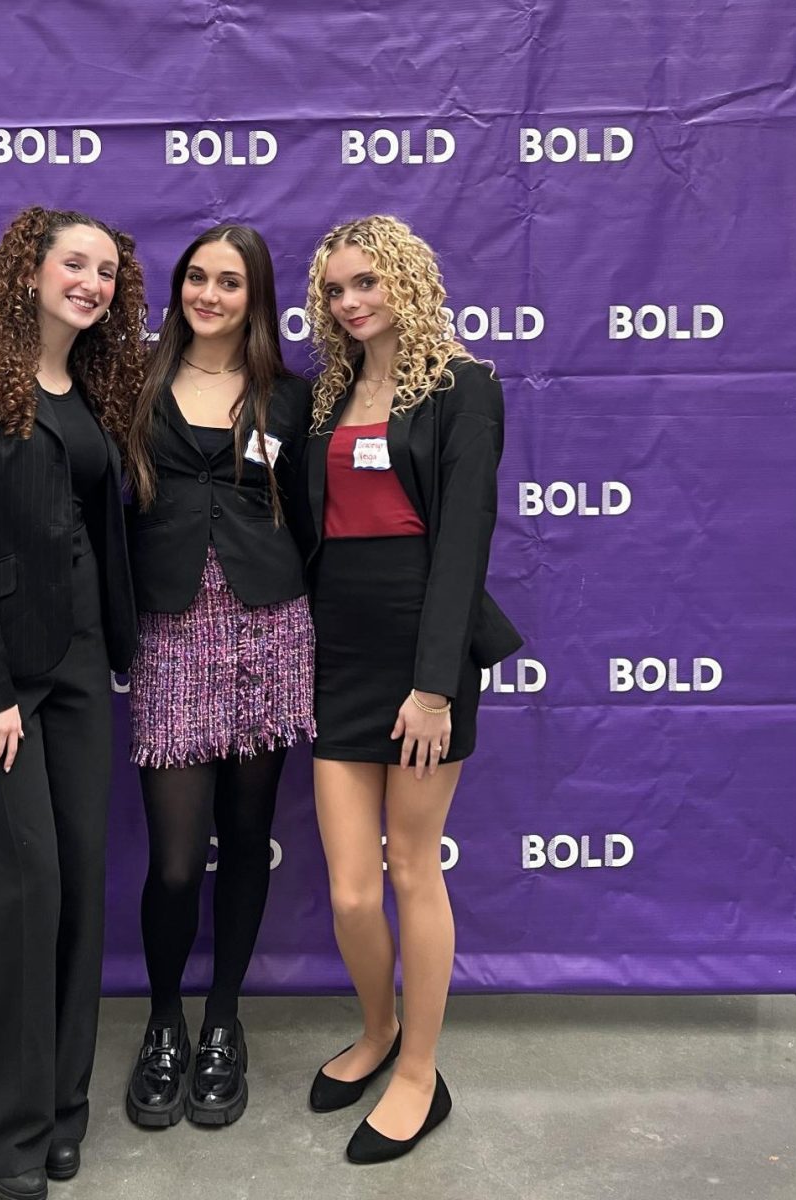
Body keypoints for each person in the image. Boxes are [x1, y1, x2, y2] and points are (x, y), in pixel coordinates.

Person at [0, 206, 146, 1200]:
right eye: (74, 264)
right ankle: (4, 1130)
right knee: (20, 893)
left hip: (83, 668)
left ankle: (59, 1112)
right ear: (29, 268)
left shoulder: (90, 383)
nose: (90, 281)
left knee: (78, 887)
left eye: (106, 270)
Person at [299, 215, 521, 1165]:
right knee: (351, 894)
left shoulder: (464, 387)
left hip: (421, 659)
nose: (352, 303)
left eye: (368, 283)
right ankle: (376, 1028)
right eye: (337, 289)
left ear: (407, 282)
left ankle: (419, 1071)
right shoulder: (328, 394)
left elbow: (463, 537)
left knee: (410, 872)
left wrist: (434, 687)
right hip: (336, 652)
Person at [121, 223, 314, 1129]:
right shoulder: (133, 386)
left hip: (268, 633)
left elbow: (312, 521)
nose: (209, 294)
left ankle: (224, 1022)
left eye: (229, 282)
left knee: (245, 840)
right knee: (171, 862)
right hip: (169, 634)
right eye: (196, 277)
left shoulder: (293, 399)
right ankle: (163, 1020)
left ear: (255, 297)